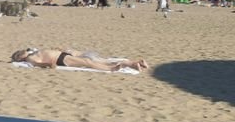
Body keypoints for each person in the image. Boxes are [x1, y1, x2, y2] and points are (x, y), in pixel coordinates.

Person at [10, 47, 148, 72]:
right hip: (61, 60)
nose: (21, 52)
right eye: (19, 54)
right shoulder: (30, 60)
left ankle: (133, 64)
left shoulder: (32, 52)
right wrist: (48, 64)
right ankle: (113, 69)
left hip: (63, 55)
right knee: (88, 63)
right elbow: (40, 64)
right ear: (19, 58)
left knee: (98, 60)